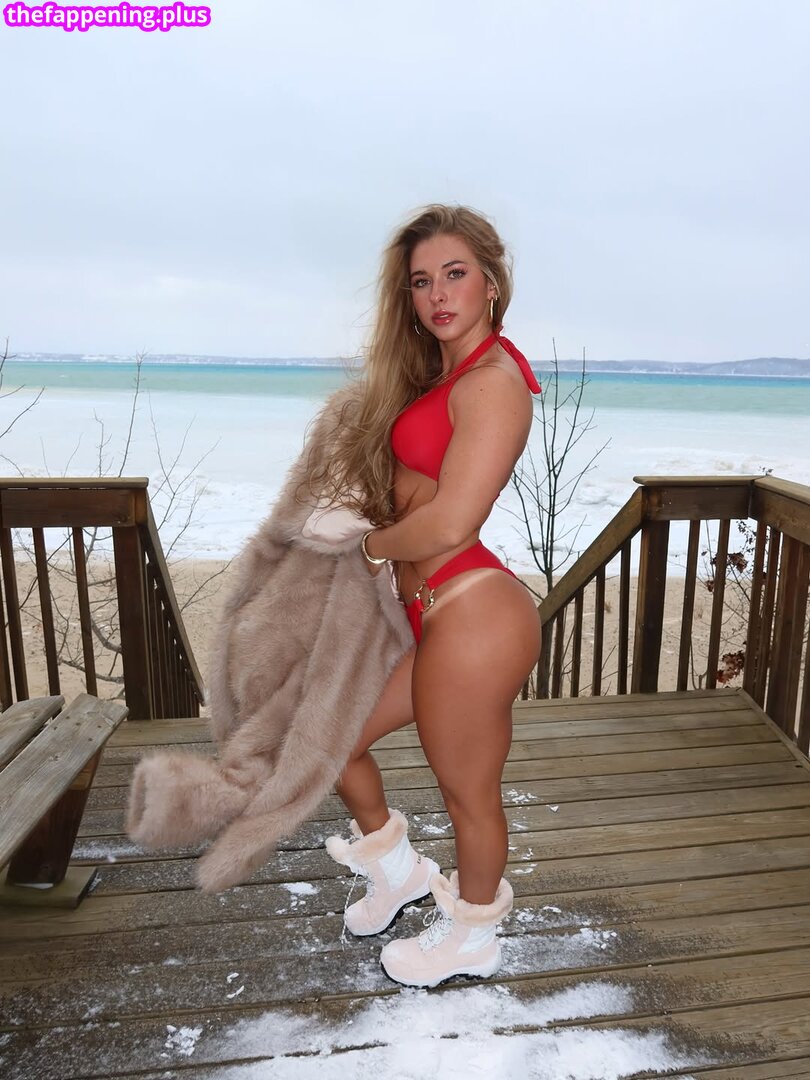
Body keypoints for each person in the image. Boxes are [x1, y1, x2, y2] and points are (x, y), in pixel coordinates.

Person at [311, 204, 543, 987]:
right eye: (421, 281)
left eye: (455, 273)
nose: (438, 294)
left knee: (468, 795)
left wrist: (371, 548)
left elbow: (452, 521)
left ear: (491, 283)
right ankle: (398, 873)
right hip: (435, 614)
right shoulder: (446, 378)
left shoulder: (495, 382)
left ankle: (472, 938)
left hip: (474, 613)